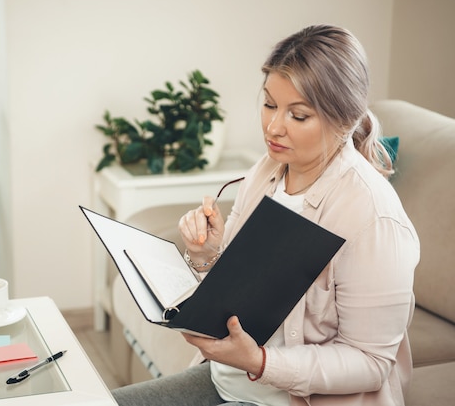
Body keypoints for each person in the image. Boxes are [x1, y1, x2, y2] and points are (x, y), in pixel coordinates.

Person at [111, 24, 419, 406]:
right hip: (225, 382)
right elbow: (245, 295)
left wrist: (260, 361)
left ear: (343, 121)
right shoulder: (266, 171)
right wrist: (206, 254)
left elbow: (371, 362)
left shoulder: (374, 217)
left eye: (299, 115)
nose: (273, 127)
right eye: (270, 104)